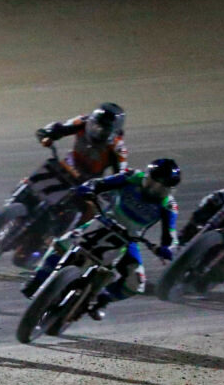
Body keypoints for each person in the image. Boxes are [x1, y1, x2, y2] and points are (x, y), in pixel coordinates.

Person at [23, 159, 180, 320]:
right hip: (104, 221)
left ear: (170, 190)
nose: (155, 190)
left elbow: (171, 235)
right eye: (153, 183)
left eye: (162, 188)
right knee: (62, 244)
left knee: (136, 282)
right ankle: (38, 277)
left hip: (129, 238)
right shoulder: (132, 176)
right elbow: (100, 183)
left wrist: (167, 249)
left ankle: (103, 298)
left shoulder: (168, 206)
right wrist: (88, 189)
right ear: (147, 176)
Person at [35, 103, 128, 181]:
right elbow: (58, 128)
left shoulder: (117, 147)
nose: (97, 130)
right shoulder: (82, 121)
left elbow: (121, 175)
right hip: (68, 166)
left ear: (113, 131)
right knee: (38, 180)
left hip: (88, 182)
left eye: (104, 129)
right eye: (95, 125)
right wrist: (45, 135)